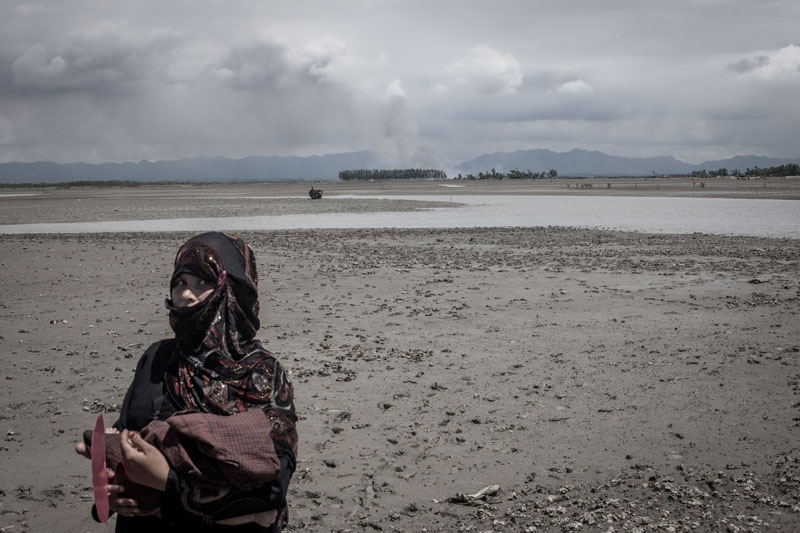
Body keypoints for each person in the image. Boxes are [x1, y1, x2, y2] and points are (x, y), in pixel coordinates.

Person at [75, 231, 298, 532]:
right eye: (180, 283)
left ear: (233, 292)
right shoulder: (157, 358)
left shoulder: (261, 373)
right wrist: (114, 492)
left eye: (202, 283)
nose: (186, 295)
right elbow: (128, 432)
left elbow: (272, 488)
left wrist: (166, 482)